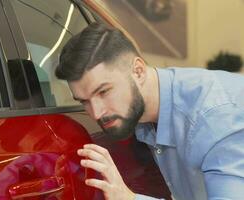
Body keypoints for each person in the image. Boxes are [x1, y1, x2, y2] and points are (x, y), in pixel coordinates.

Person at [55, 22, 244, 200]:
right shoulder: (141, 113)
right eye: (84, 101)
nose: (96, 113)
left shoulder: (214, 118)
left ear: (138, 71)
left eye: (103, 92)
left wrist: (129, 198)